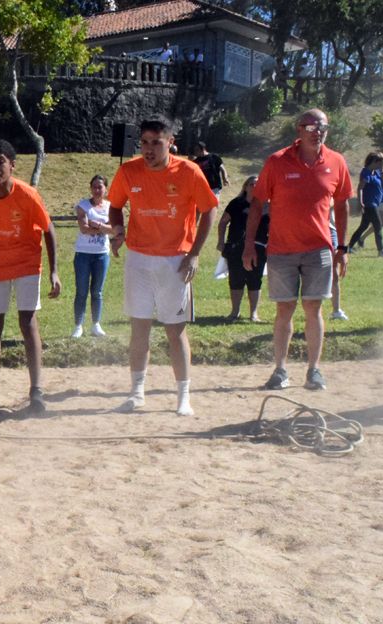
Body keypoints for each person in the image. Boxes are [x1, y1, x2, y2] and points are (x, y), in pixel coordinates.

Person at [109, 117, 218, 416]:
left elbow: (209, 211)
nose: (148, 149)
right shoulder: (128, 171)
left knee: (175, 331)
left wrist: (194, 254)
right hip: (139, 260)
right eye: (144, 142)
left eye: (156, 142)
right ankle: (136, 393)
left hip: (175, 261)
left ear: (171, 142)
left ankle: (183, 397)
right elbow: (115, 205)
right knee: (139, 329)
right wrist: (117, 231)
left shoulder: (189, 171)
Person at [244, 108, 352, 391]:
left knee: (313, 307)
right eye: (311, 126)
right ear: (298, 130)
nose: (318, 131)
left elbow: (342, 206)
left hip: (319, 248)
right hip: (281, 249)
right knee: (285, 309)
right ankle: (280, 370)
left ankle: (314, 370)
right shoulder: (277, 161)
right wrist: (248, 245)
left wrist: (343, 246)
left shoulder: (337, 162)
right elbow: (257, 204)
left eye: (323, 127)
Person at [0, 139, 60, 412]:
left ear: (12, 165)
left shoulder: (27, 194)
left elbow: (49, 230)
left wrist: (54, 271)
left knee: (27, 321)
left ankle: (36, 391)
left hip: (27, 264)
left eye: (0, 162)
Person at [216, 175, 268, 322]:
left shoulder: (267, 205)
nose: (254, 186)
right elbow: (222, 223)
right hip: (235, 246)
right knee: (236, 280)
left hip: (258, 248)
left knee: (255, 280)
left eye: (257, 184)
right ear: (245, 187)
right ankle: (235, 312)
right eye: (251, 184)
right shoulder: (236, 204)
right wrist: (221, 241)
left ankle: (254, 314)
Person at [71, 175, 114, 338]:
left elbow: (114, 229)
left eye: (100, 187)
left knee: (97, 292)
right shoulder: (83, 206)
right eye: (94, 187)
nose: (97, 190)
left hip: (101, 255)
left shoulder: (110, 207)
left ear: (105, 189)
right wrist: (103, 228)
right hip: (83, 254)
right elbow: (84, 228)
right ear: (90, 188)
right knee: (81, 291)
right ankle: (78, 326)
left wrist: (99, 226)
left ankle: (96, 324)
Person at [347, 152, 383, 259]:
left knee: (363, 226)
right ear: (375, 162)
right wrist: (360, 202)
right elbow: (360, 188)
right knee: (378, 225)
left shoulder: (375, 172)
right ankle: (381, 250)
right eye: (382, 163)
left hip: (375, 203)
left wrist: (382, 173)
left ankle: (349, 247)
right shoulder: (366, 172)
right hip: (369, 204)